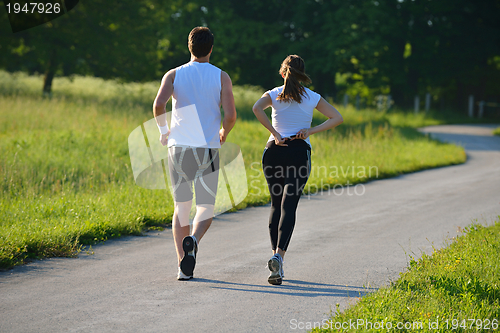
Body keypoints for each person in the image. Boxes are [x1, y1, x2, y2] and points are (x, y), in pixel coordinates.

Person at [153, 27, 237, 280]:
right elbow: (231, 115)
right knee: (206, 206)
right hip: (208, 148)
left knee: (181, 205)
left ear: (189, 47)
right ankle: (194, 240)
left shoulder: (174, 74)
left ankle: (182, 265)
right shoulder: (222, 77)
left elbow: (159, 105)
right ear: (211, 48)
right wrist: (224, 132)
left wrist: (163, 131)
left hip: (178, 147)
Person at [252, 55, 343, 285]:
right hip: (298, 153)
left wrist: (274, 133)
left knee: (275, 204)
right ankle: (278, 257)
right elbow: (337, 118)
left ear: (283, 73)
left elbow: (256, 108)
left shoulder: (273, 94)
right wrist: (309, 131)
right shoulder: (312, 97)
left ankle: (276, 258)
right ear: (302, 75)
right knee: (289, 205)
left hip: (273, 151)